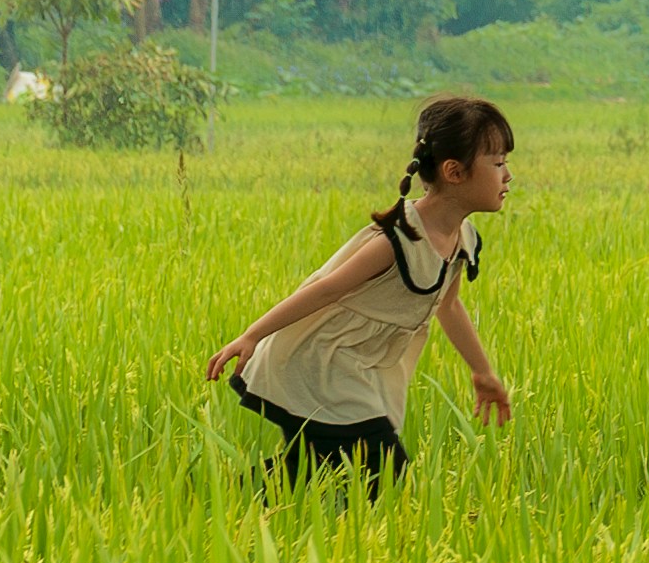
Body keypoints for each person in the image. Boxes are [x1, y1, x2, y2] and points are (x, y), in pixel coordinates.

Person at [210, 94, 521, 483]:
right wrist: (252, 335)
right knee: (384, 472)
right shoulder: (398, 240)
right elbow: (325, 289)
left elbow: (450, 306)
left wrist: (482, 372)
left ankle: (216, 495)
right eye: (498, 163)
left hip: (361, 366)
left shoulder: (463, 239)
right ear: (454, 172)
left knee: (315, 473)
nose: (508, 175)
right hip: (324, 361)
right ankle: (223, 499)